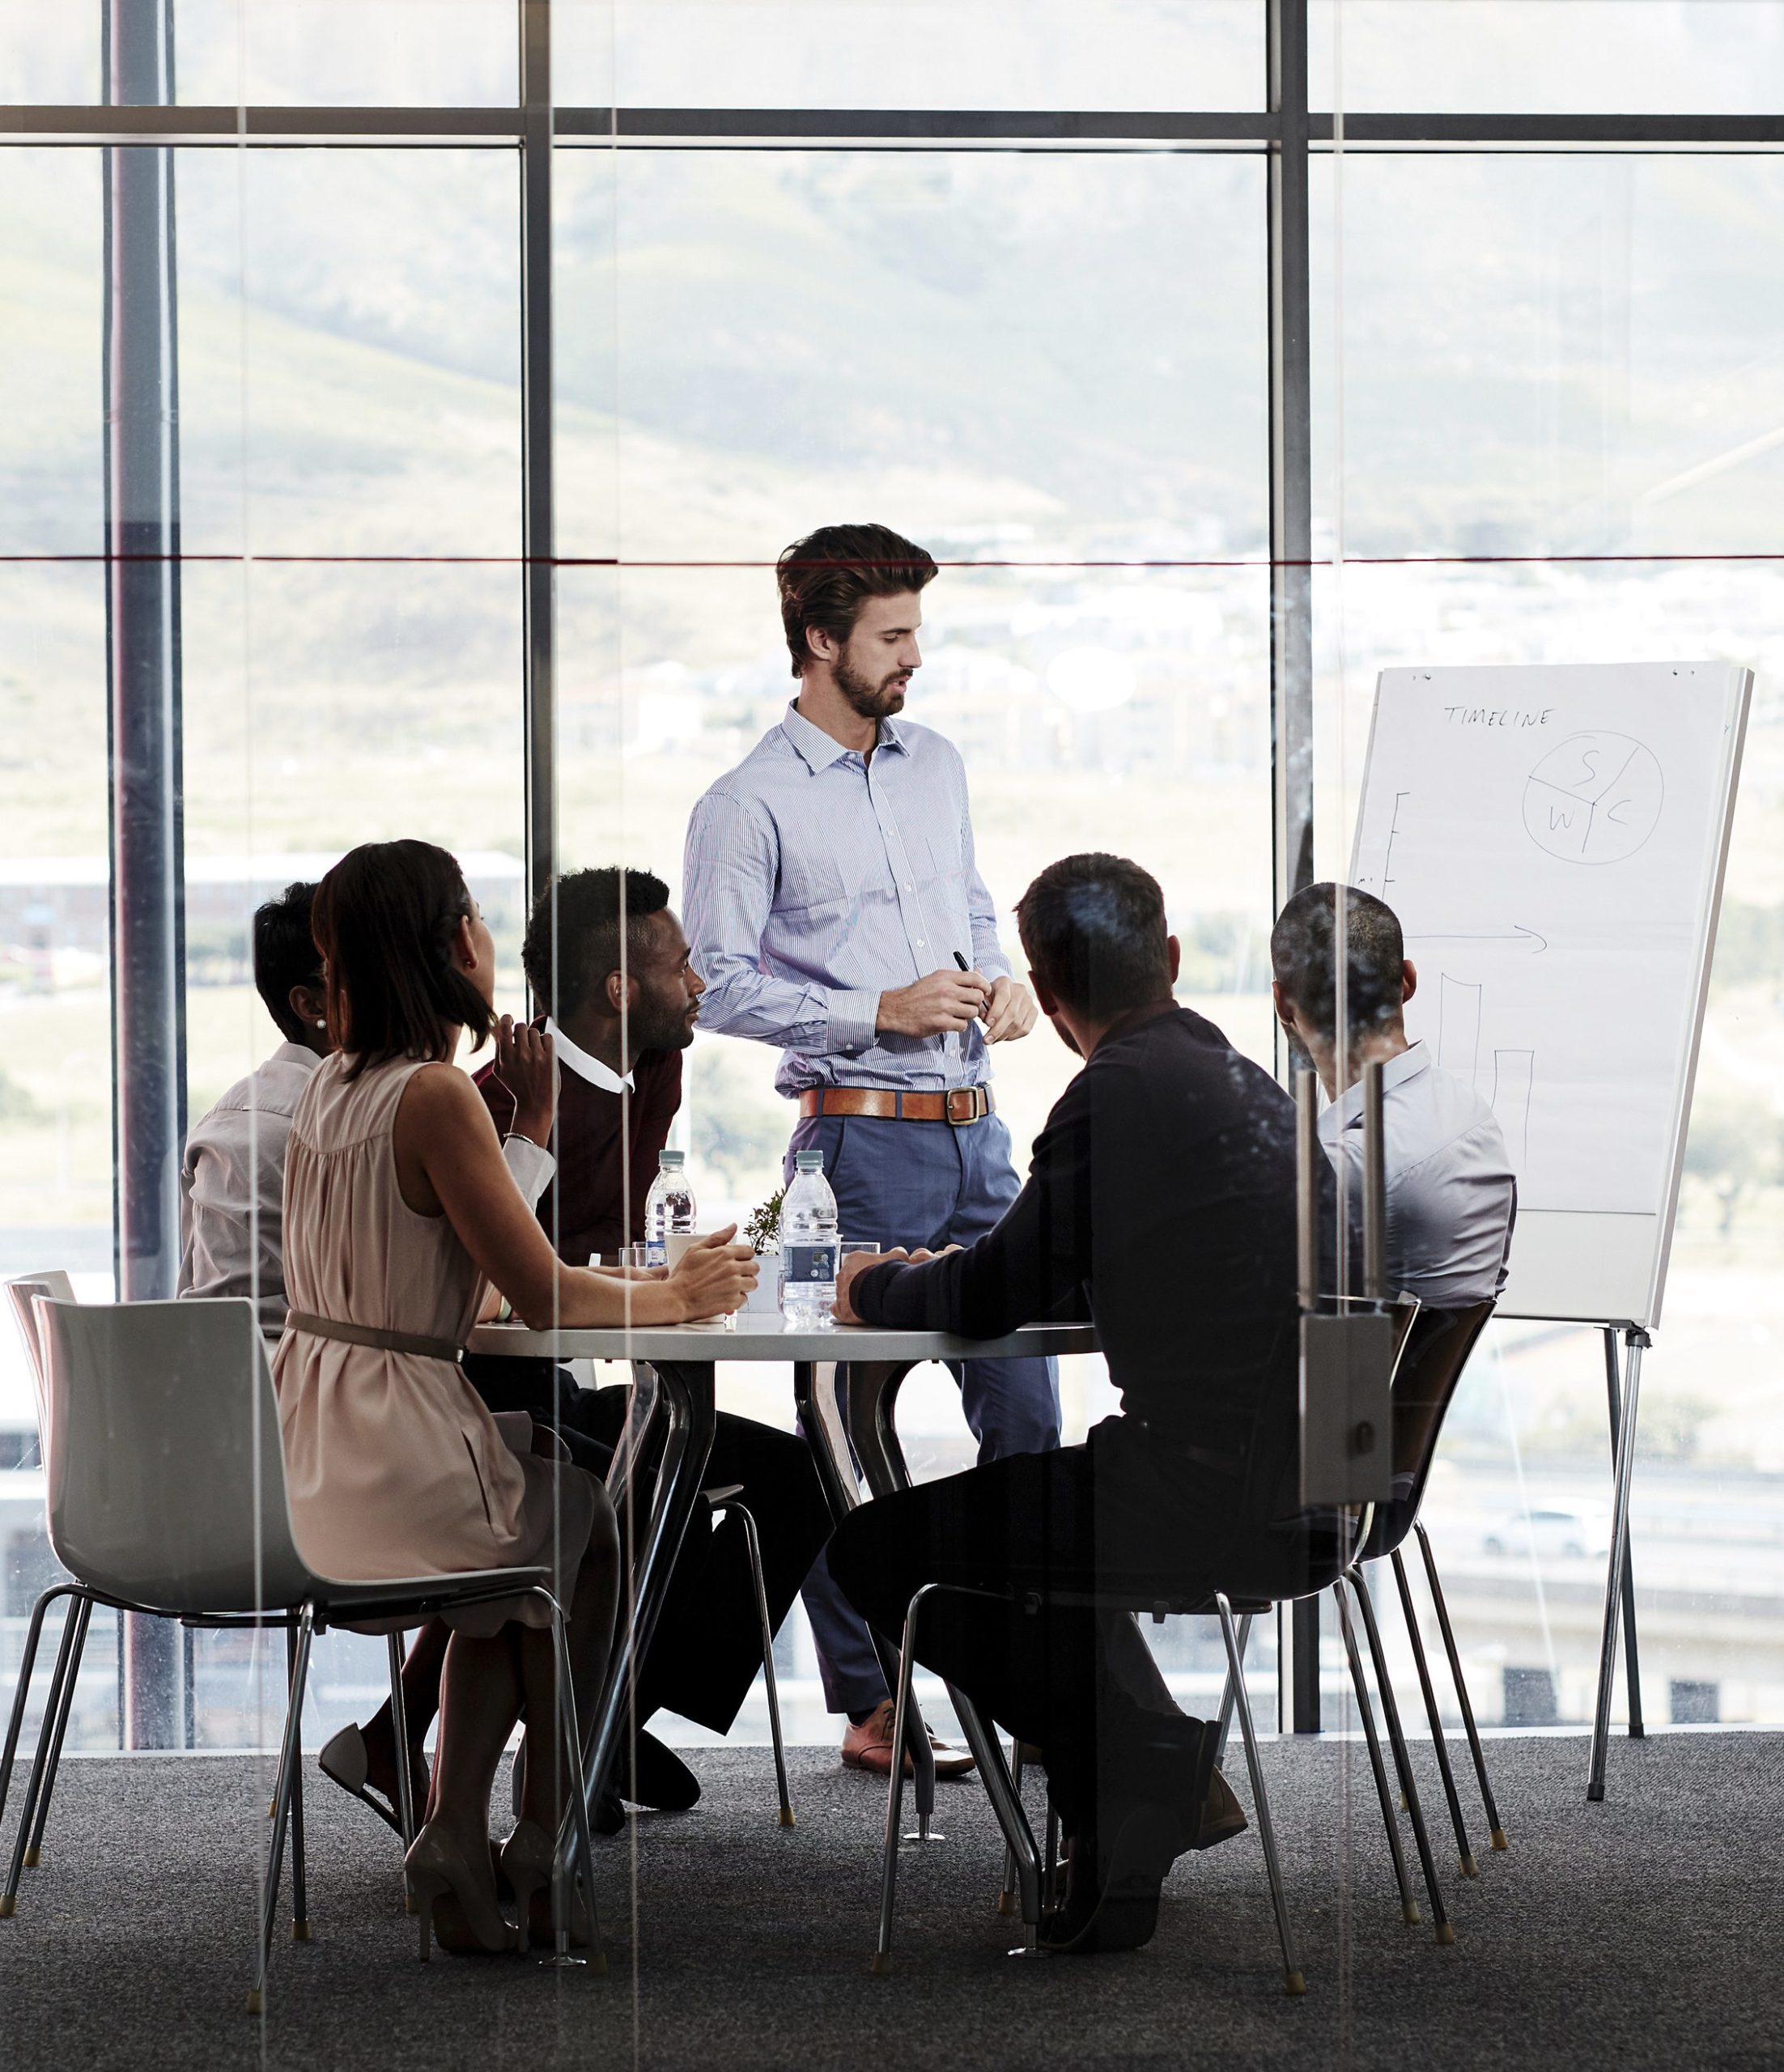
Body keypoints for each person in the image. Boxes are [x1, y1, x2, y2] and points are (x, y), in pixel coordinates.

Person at [825, 853, 1323, 1955]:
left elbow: (990, 1297)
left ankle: (1140, 1765)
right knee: (1026, 1524)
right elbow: (1082, 1263)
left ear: (1046, 998)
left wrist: (875, 1286)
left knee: (877, 1549)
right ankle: (1138, 1774)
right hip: (1313, 1482)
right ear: (1172, 957)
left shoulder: (1115, 1095)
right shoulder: (1240, 1082)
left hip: (1200, 1494)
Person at [274, 839, 755, 1955]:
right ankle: (539, 1834)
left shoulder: (330, 1088)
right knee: (588, 1535)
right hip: (394, 1431)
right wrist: (680, 1296)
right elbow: (536, 1288)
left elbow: (467, 1260)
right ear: (454, 943)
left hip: (311, 1432)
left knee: (541, 1541)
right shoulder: (436, 1094)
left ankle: (462, 1832)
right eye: (477, 920)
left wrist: (531, 1137)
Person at [682, 520, 1054, 1777]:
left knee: (1029, 1419)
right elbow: (716, 986)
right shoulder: (745, 805)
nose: (913, 657)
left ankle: (1039, 1681)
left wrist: (998, 979)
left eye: (915, 633)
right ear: (819, 640)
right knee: (849, 1435)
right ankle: (876, 1698)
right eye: (891, 636)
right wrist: (874, 1012)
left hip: (979, 1140)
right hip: (855, 1148)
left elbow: (969, 911)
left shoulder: (936, 764)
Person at [457, 865, 833, 1817]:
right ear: (619, 988)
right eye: (680, 966)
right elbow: (493, 1294)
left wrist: (677, 1278)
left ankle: (615, 1717)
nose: (699, 983)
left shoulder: (657, 1065)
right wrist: (662, 1290)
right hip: (485, 1400)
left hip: (570, 1379)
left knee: (790, 1481)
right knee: (639, 1486)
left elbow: (612, 1244)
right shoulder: (496, 1100)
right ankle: (584, 1735)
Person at [179, 881, 557, 1334]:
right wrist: (532, 1121)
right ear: (311, 1004)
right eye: (366, 970)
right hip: (312, 1372)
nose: (398, 983)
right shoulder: (344, 1125)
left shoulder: (224, 1117)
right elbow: (466, 1285)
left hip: (218, 1370)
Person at [1270, 883, 1516, 1308]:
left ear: (1283, 1004)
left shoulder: (1346, 1169)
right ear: (1407, 980)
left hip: (1349, 1353)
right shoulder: (1472, 1114)